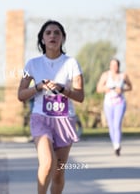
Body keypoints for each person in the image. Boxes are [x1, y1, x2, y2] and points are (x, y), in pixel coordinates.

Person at [17, 20, 84, 194]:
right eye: (48, 33)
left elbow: (80, 96)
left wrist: (62, 89)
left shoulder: (72, 64)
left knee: (58, 174)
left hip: (65, 120)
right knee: (47, 163)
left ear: (63, 38)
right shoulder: (32, 64)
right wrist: (38, 87)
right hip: (41, 119)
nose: (52, 36)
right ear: (42, 39)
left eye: (57, 33)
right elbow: (21, 95)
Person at [96, 58, 132, 156]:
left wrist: (122, 89)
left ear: (118, 66)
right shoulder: (105, 75)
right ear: (110, 66)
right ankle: (114, 144)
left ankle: (117, 145)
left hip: (120, 103)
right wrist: (105, 88)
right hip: (108, 103)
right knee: (111, 125)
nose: (114, 67)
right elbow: (98, 88)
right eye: (112, 65)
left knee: (117, 124)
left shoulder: (123, 75)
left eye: (115, 65)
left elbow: (130, 87)